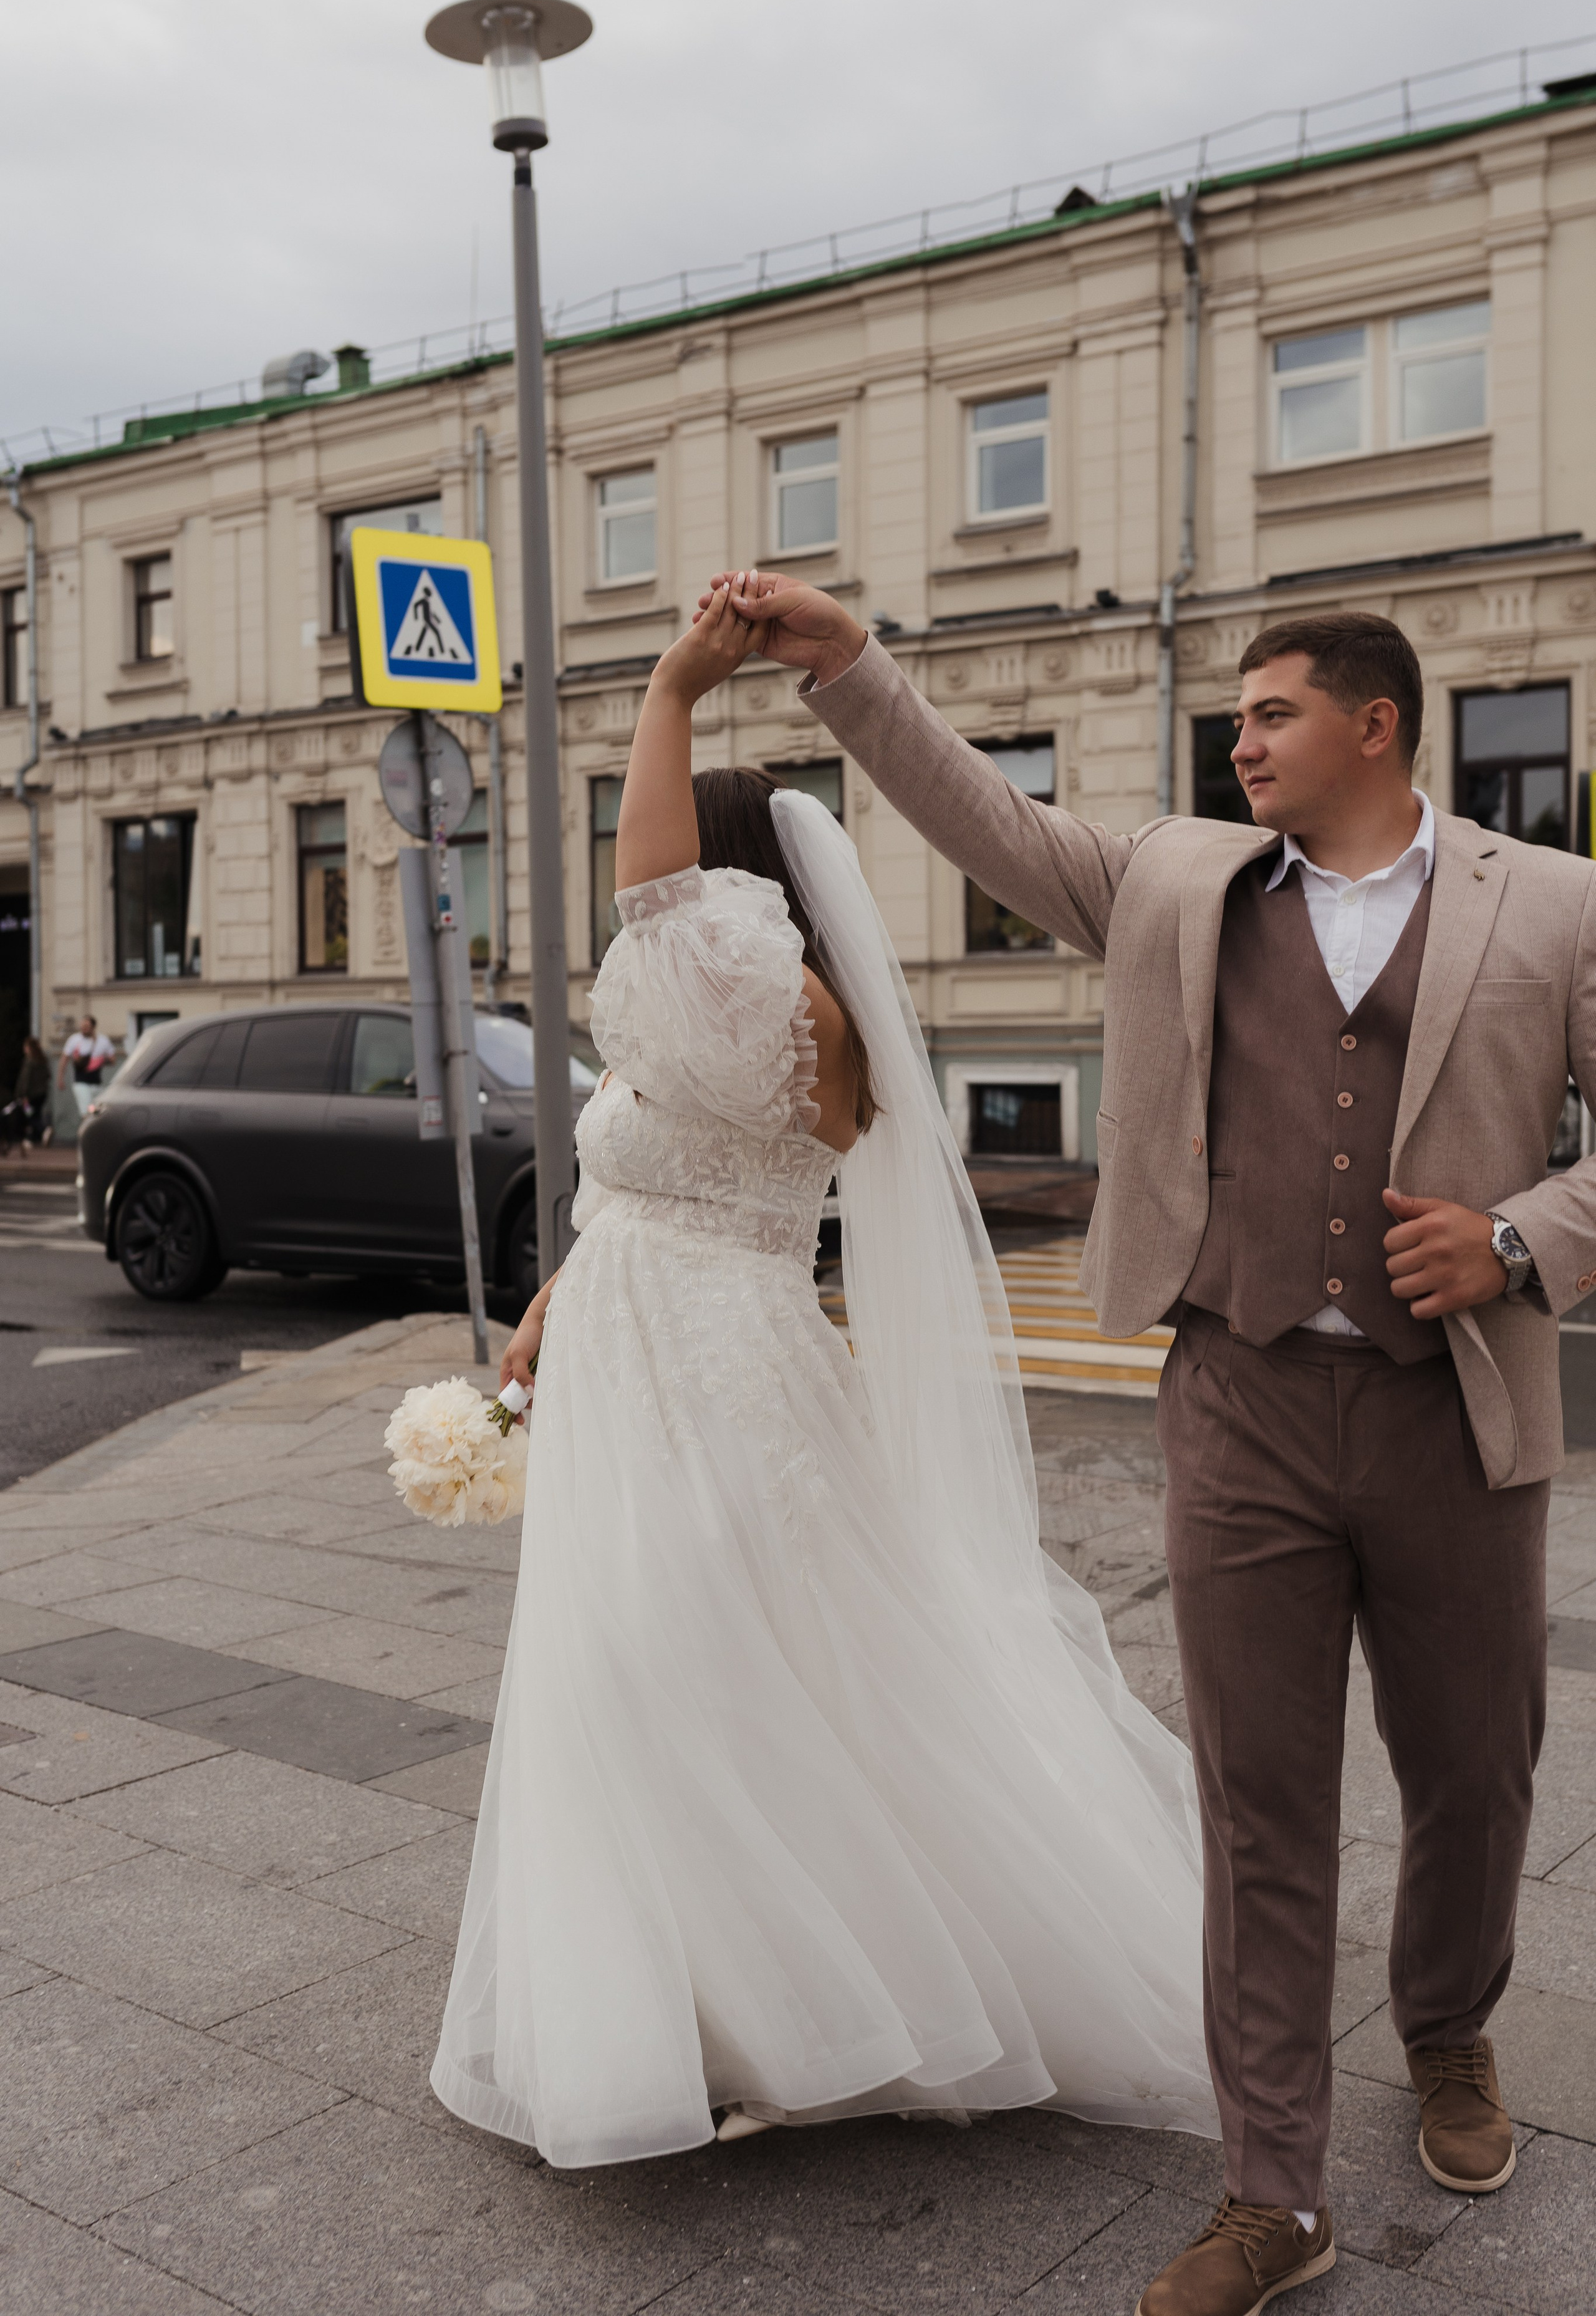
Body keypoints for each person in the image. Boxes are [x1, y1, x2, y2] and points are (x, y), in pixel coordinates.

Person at [713, 571, 1590, 2316]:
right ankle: (1274, 2192)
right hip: (1242, 1401)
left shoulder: (1557, 907)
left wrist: (1516, 1241)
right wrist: (850, 670)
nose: (1239, 738)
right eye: (1238, 721)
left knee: (1473, 1777)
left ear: (1375, 725)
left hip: (1452, 1412)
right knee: (1259, 1809)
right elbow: (983, 812)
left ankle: (1445, 2031)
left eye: (1270, 715)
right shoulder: (1174, 876)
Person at [431, 577, 1218, 2171]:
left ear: (735, 886)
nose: (645, 872)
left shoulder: (760, 996)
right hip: (658, 1342)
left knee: (681, 1668)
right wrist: (561, 1295)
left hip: (715, 1373)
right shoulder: (731, 1017)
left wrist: (671, 688)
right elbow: (664, 1179)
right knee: (682, 1675)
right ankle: (711, 2003)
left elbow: (651, 902)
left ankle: (816, 2009)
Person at [1, 1035, 51, 1156]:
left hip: (30, 1096)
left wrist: (22, 1095)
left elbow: (25, 1079)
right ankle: (29, 1139)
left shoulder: (29, 1060)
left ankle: (44, 1129)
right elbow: (49, 1076)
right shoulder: (42, 1060)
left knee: (30, 1116)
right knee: (35, 1114)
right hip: (42, 1094)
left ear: (29, 1047)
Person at [57, 1014, 113, 1103]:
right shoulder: (74, 1040)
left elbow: (112, 1060)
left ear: (93, 1027)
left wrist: (100, 1061)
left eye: (87, 1027)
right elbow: (65, 1059)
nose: (84, 1029)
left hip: (97, 1082)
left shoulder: (103, 1040)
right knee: (86, 1110)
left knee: (97, 1111)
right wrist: (60, 1078)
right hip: (80, 1082)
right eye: (82, 1026)